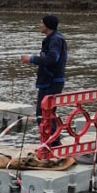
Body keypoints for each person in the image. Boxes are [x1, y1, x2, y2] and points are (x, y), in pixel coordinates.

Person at [20, 14, 67, 145]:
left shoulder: (55, 40)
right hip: (49, 81)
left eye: (42, 23)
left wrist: (32, 59)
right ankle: (52, 142)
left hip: (52, 82)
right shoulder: (53, 39)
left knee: (43, 114)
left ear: (47, 26)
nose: (40, 25)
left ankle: (51, 143)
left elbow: (53, 59)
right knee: (48, 113)